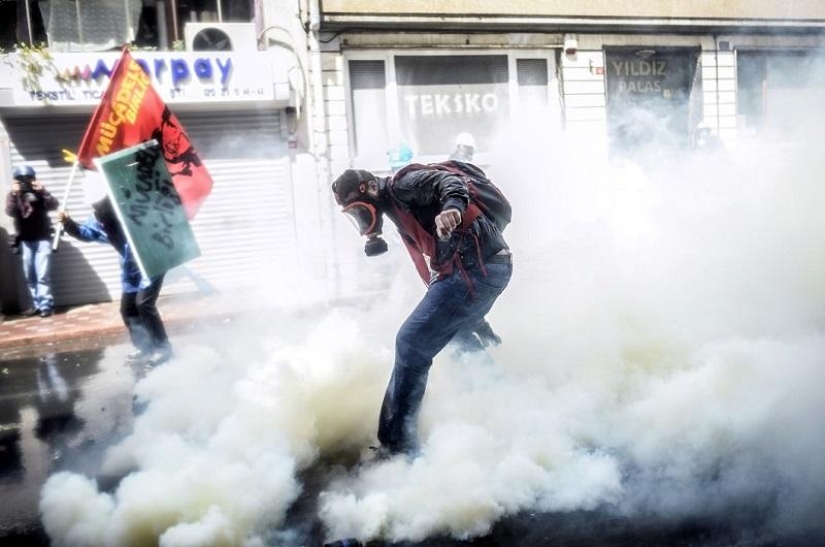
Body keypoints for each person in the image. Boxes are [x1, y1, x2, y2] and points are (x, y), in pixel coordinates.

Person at [331, 166, 512, 458]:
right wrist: (474, 319)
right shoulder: (397, 209)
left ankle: (397, 447)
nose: (362, 221)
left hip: (475, 268)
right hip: (485, 268)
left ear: (369, 191)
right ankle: (503, 401)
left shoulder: (403, 184)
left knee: (411, 342)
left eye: (359, 211)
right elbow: (436, 278)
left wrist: (451, 208)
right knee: (455, 339)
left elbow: (448, 182)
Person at [58, 197, 173, 367]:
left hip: (151, 261)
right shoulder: (100, 221)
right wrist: (68, 223)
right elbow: (86, 233)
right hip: (131, 269)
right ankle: (145, 347)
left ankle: (163, 348)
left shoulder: (131, 215)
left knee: (144, 304)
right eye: (96, 211)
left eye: (101, 213)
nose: (98, 217)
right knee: (128, 309)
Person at [5, 165, 59, 317]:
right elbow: (10, 212)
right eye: (21, 180)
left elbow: (54, 205)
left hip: (43, 239)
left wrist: (43, 191)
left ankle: (46, 306)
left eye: (28, 179)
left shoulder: (40, 193)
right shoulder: (14, 195)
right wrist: (15, 194)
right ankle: (37, 304)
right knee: (30, 275)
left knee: (42, 274)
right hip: (25, 241)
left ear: (34, 179)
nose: (25, 183)